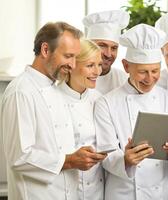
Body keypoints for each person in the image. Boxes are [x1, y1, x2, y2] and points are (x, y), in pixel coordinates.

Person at [0, 22, 105, 200]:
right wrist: (69, 160)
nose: (72, 65)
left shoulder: (55, 89)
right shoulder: (21, 91)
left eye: (75, 58)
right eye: (68, 56)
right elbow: (19, 157)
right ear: (46, 50)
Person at [94, 24, 168, 200]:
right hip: (124, 193)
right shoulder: (106, 103)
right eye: (143, 72)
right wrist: (126, 160)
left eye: (155, 71)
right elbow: (105, 154)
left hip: (165, 193)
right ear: (126, 66)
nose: (150, 79)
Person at [58, 39, 106, 200]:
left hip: (96, 189)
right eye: (90, 65)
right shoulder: (52, 99)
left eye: (99, 64)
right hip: (62, 187)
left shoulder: (99, 100)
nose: (97, 71)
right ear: (71, 65)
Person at [83, 10, 130, 94]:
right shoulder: (75, 77)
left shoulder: (124, 79)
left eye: (114, 48)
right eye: (102, 45)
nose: (108, 54)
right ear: (89, 46)